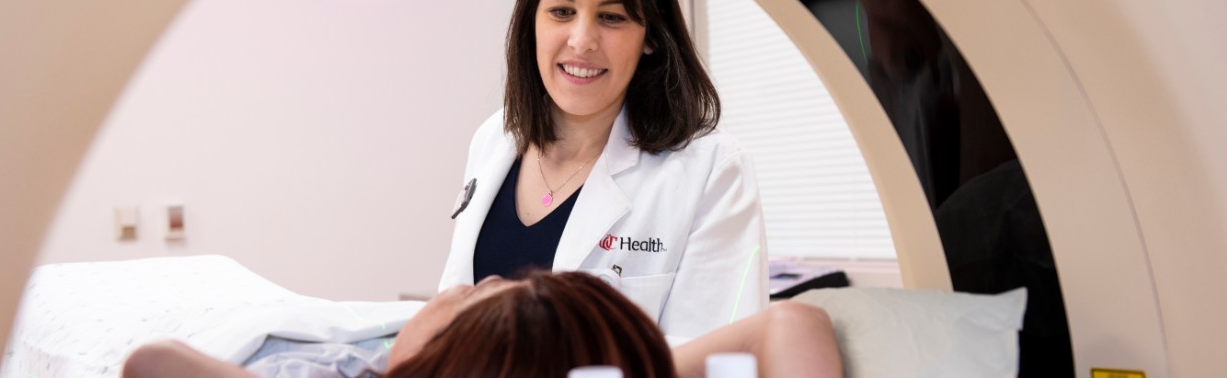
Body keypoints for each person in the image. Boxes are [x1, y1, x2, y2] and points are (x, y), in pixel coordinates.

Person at [439, 0, 769, 340]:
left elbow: (719, 356)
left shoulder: (711, 170)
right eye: (561, 12)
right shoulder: (495, 138)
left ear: (651, 34)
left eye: (611, 17)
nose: (582, 41)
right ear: (531, 21)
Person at [121, 271, 843, 378]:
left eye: (464, 298)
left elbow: (151, 361)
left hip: (227, 322)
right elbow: (792, 320)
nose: (470, 282)